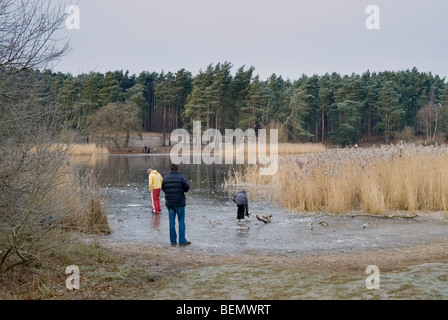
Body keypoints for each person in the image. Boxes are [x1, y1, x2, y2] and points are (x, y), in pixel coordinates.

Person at [161, 163, 191, 246]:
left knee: (171, 222)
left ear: (171, 169)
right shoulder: (181, 177)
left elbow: (163, 188)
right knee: (181, 221)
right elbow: (187, 187)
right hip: (180, 202)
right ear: (177, 169)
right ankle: (182, 240)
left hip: (170, 203)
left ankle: (173, 241)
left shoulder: (165, 178)